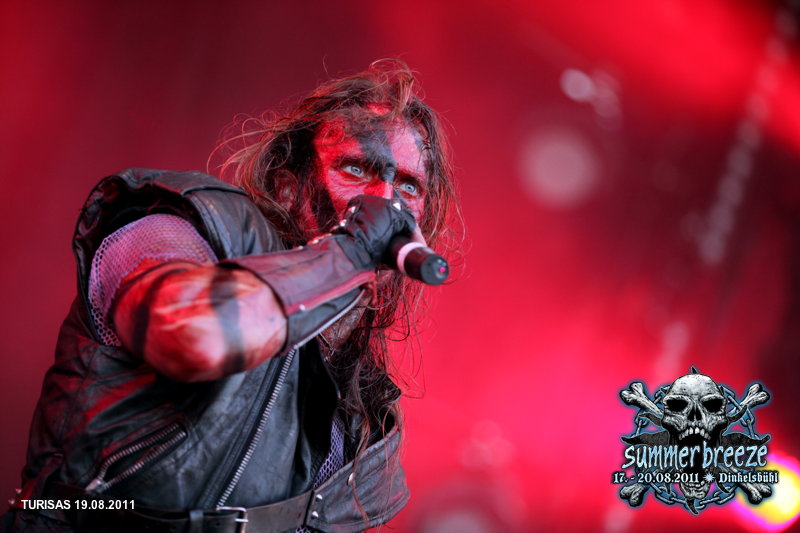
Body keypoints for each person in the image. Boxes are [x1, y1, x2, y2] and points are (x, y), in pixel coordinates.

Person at [4, 61, 459, 533]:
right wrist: (350, 254)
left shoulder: (362, 412)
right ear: (287, 188)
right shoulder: (185, 231)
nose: (387, 204)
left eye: (409, 186)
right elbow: (195, 334)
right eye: (355, 169)